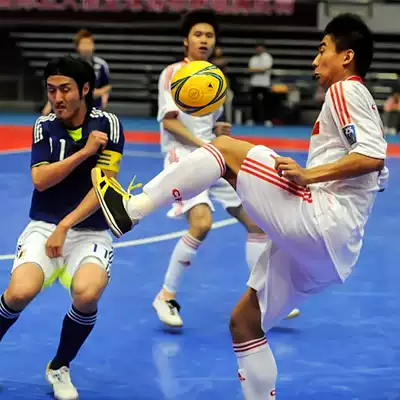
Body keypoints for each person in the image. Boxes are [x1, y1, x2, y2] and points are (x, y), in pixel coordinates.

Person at [92, 13, 388, 398]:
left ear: (346, 57)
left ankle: (132, 208)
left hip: (322, 221)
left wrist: (308, 175)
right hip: (332, 255)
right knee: (245, 323)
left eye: (323, 50)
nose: (315, 60)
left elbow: (372, 157)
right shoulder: (356, 100)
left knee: (226, 150)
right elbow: (377, 172)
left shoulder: (345, 90)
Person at [153, 9, 298, 328]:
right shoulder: (173, 73)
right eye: (198, 34)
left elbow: (209, 120)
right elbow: (169, 122)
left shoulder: (215, 77)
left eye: (209, 35)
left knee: (257, 223)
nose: (203, 40)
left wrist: (218, 131)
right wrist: (203, 143)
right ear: (186, 40)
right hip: (183, 155)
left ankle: (264, 297)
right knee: (201, 223)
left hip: (213, 154)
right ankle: (165, 296)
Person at [1, 56, 124, 400]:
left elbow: (104, 185)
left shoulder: (110, 124)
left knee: (88, 293)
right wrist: (84, 153)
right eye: (51, 90)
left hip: (90, 231)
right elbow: (40, 180)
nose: (57, 98)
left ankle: (59, 366)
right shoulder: (44, 126)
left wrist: (67, 225)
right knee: (19, 293)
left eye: (65, 89)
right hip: (44, 226)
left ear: (84, 90)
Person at [42, 29, 112, 115]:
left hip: (96, 108)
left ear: (93, 46)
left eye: (89, 44)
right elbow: (59, 86)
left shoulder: (101, 64)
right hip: (73, 108)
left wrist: (98, 93)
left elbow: (107, 86)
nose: (86, 48)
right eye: (83, 44)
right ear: (77, 47)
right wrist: (49, 104)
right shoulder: (70, 65)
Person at [248, 44, 274, 126]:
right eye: (257, 48)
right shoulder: (253, 58)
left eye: (260, 48)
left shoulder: (267, 57)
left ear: (263, 48)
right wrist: (260, 70)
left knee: (266, 103)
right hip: (254, 83)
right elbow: (250, 70)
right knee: (254, 102)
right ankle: (253, 119)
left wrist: (256, 70)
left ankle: (267, 119)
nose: (259, 49)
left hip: (265, 84)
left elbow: (265, 69)